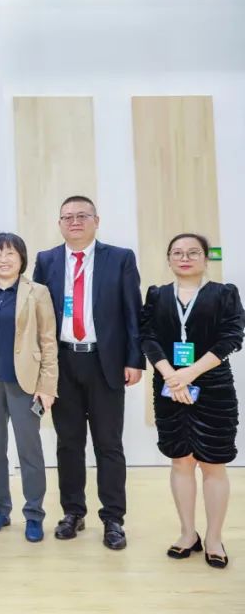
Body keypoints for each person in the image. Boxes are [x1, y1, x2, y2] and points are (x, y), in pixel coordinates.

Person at [32, 195, 143, 550]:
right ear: (59, 223)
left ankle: (113, 518)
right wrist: (40, 370)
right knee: (68, 443)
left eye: (82, 216)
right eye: (68, 217)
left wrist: (134, 359)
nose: (75, 222)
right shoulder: (46, 260)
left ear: (97, 220)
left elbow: (133, 311)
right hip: (63, 363)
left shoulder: (120, 258)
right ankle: (73, 512)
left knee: (108, 444)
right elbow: (37, 317)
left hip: (105, 362)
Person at [140, 233, 242, 569]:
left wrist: (190, 373)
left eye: (193, 252)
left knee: (213, 463)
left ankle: (213, 538)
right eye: (178, 253)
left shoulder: (224, 294)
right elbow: (147, 337)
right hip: (169, 387)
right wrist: (172, 376)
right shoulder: (157, 295)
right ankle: (188, 533)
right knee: (181, 461)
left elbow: (232, 337)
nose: (185, 258)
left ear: (205, 258)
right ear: (169, 258)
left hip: (212, 387)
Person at [0, 233, 58, 544]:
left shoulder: (38, 292)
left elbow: (48, 341)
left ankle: (34, 514)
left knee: (29, 450)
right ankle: (0, 510)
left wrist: (47, 385)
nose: (3, 259)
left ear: (21, 258)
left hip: (26, 384)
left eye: (9, 253)